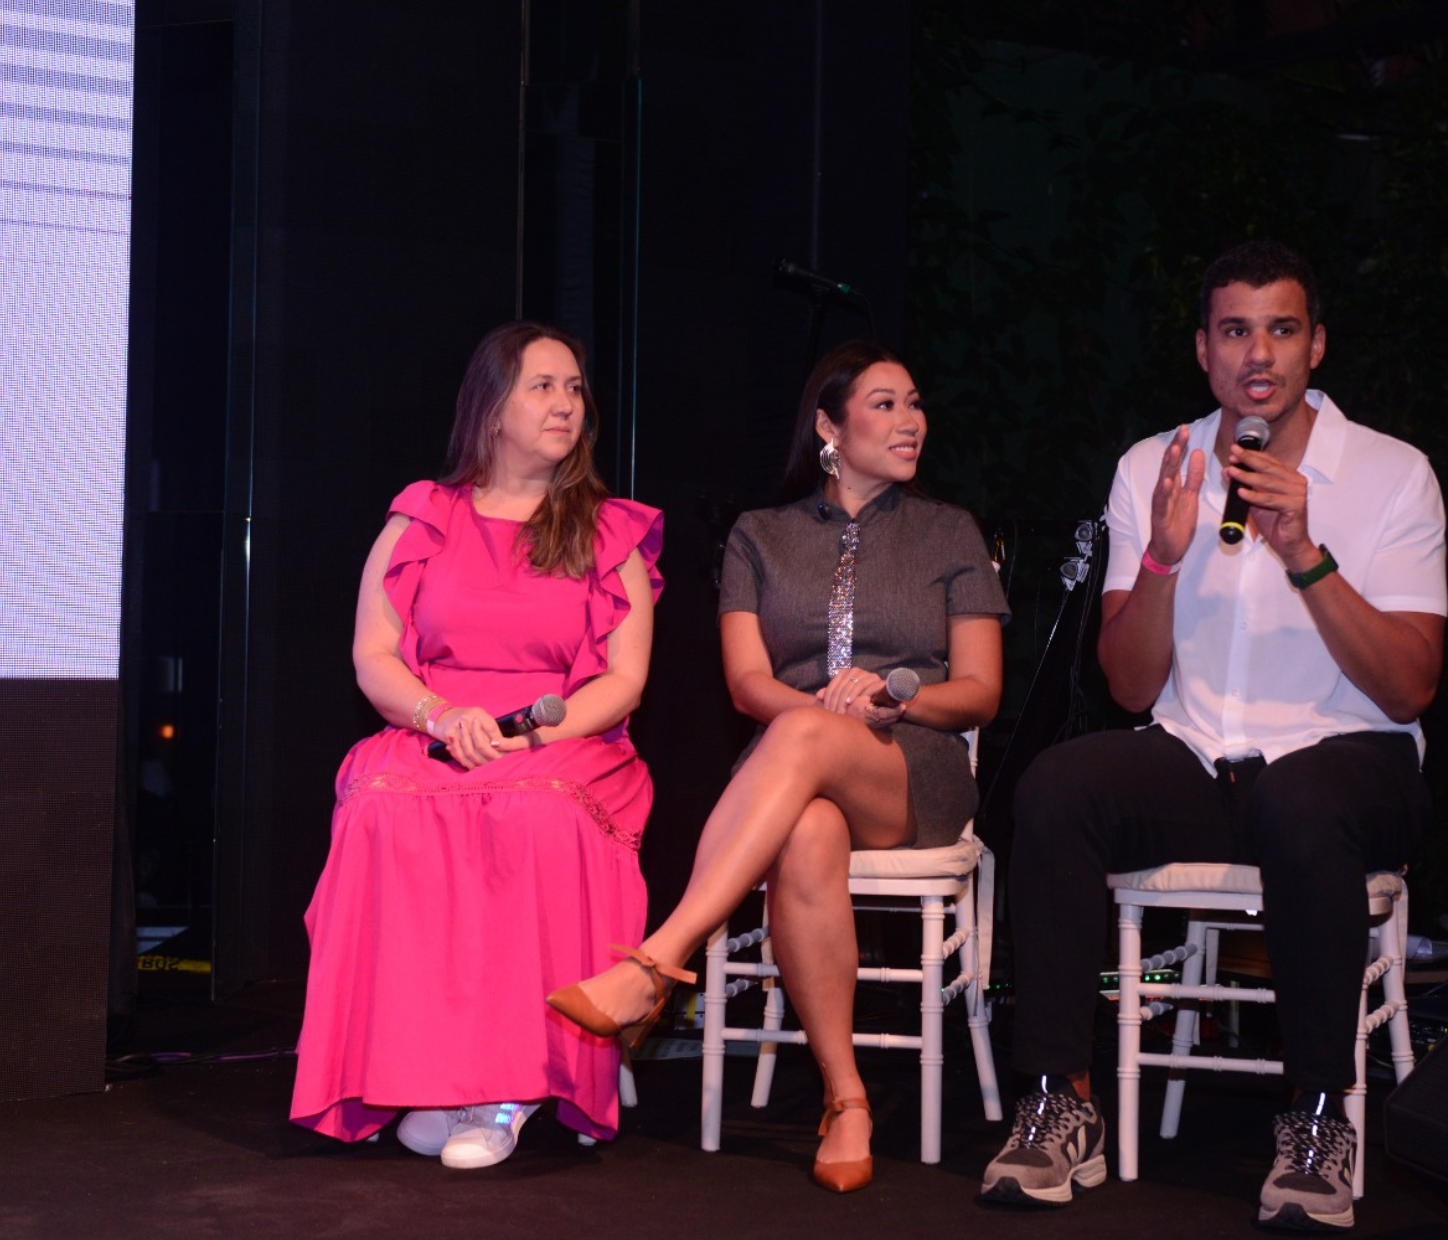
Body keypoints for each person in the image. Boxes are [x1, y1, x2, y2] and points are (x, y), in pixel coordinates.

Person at [978, 241, 1446, 1232]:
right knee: (1058, 787)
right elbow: (1128, 683)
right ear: (1203, 349)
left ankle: (1318, 1118)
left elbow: (1407, 687)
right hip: (1197, 759)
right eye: (1234, 330)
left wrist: (1303, 552)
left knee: (1298, 797)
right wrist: (1157, 555)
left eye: (1280, 328)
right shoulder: (1154, 465)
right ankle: (1061, 1098)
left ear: (1314, 343)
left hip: (1349, 763)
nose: (1258, 354)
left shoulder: (1390, 475)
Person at [546, 340, 1008, 1193]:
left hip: (912, 770)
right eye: (885, 404)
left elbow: (980, 694)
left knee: (799, 745)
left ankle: (655, 963)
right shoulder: (760, 536)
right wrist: (825, 714)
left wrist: (896, 701)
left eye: (915, 403)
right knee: (804, 824)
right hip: (794, 769)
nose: (911, 420)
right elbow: (749, 687)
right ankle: (847, 1098)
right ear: (829, 426)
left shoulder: (951, 532)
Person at [290, 322, 661, 1169]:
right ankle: (426, 1075)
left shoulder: (608, 530)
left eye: (574, 388)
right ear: (490, 408)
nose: (566, 403)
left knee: (532, 816)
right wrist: (435, 713)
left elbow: (624, 681)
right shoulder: (426, 514)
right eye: (543, 386)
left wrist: (529, 730)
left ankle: (511, 1083)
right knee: (381, 806)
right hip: (439, 723)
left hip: (564, 735)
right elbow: (372, 655)